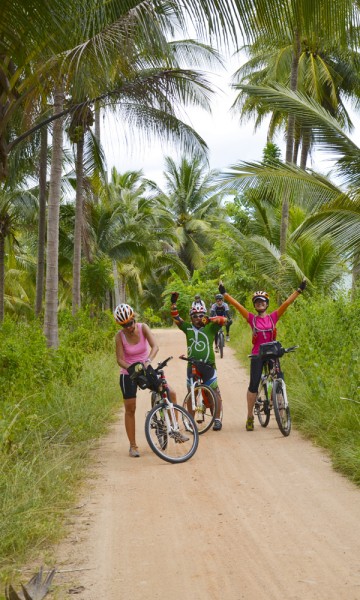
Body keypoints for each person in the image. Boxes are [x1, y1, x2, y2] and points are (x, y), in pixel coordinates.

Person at [218, 280, 307, 431]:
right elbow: (238, 306)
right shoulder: (252, 319)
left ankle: (279, 405)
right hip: (257, 355)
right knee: (253, 386)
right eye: (257, 302)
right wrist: (224, 293)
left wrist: (299, 290)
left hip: (272, 353)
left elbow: (286, 303)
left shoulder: (273, 317)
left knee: (279, 378)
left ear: (267, 304)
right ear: (255, 305)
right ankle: (250, 416)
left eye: (262, 302)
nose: (260, 304)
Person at [114, 302, 179, 457]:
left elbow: (155, 346)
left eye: (130, 323)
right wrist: (131, 368)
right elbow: (119, 359)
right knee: (130, 408)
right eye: (124, 325)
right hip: (128, 372)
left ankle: (175, 429)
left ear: (134, 318)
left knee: (170, 393)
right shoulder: (119, 336)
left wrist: (148, 361)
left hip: (145, 367)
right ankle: (133, 446)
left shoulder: (143, 328)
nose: (128, 327)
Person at [170, 291, 227, 431]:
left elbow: (224, 320)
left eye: (201, 315)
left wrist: (209, 320)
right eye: (195, 316)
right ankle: (190, 420)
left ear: (205, 316)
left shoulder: (210, 327)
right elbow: (176, 318)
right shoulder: (187, 327)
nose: (198, 318)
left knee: (213, 392)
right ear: (191, 317)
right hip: (192, 365)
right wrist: (173, 304)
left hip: (209, 366)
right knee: (192, 392)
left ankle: (217, 419)